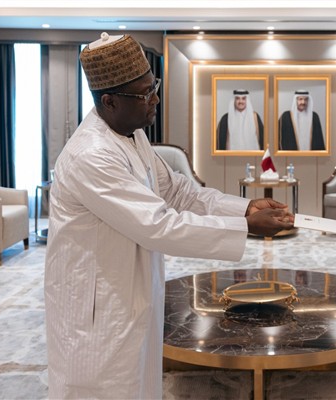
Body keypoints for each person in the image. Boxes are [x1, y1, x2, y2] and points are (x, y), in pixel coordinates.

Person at [44, 32, 293, 399]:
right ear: (110, 102)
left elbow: (177, 191)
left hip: (129, 292)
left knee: (138, 382)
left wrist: (244, 207)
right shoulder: (91, 155)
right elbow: (158, 225)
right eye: (145, 94)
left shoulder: (132, 135)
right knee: (102, 388)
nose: (155, 99)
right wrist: (245, 226)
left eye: (154, 87)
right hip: (97, 309)